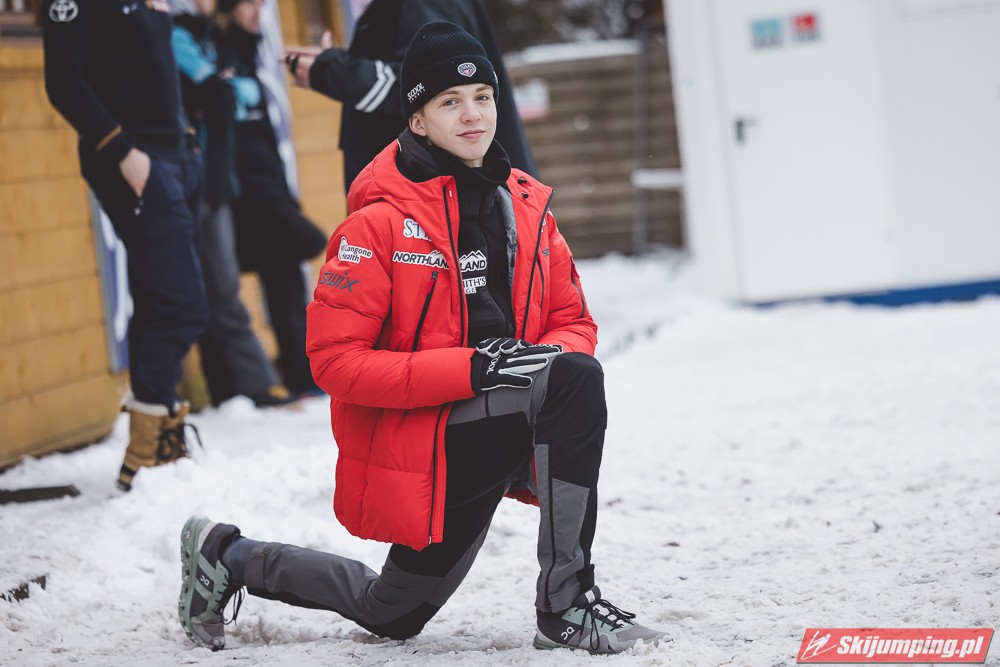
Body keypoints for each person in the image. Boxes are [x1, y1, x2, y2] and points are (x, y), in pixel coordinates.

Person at [178, 22, 666, 655]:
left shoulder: (527, 210)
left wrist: (536, 363)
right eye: (449, 102)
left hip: (505, 422)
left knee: (391, 612)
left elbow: (575, 322)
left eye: (483, 97)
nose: (472, 114)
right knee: (572, 383)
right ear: (417, 120)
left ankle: (228, 555)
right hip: (428, 438)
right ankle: (567, 604)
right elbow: (334, 363)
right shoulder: (376, 225)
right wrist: (473, 369)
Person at [41, 0, 208, 491]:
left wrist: (188, 136)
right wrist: (121, 150)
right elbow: (63, 82)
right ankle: (146, 451)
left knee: (159, 297)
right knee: (181, 305)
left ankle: (154, 451)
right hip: (136, 160)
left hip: (178, 156)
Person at [171, 0, 297, 408]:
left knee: (222, 288)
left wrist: (225, 91)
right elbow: (220, 98)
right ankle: (244, 387)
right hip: (191, 181)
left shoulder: (209, 38)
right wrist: (222, 90)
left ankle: (246, 388)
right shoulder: (178, 35)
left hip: (216, 184)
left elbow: (235, 98)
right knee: (201, 292)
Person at [283, 0, 537, 191]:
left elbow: (433, 83)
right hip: (425, 195)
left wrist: (334, 71)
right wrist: (334, 65)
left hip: (438, 195)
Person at [214, 0, 328, 396]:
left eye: (261, 4)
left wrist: (283, 192)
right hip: (244, 195)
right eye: (248, 4)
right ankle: (241, 383)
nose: (257, 12)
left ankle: (301, 376)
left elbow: (263, 136)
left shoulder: (249, 54)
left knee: (284, 279)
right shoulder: (214, 51)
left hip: (269, 189)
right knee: (308, 243)